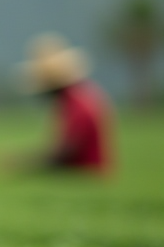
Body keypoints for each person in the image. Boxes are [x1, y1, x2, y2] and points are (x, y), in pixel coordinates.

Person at [17, 34, 113, 172]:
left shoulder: (78, 104)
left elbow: (68, 152)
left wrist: (24, 163)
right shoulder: (78, 98)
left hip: (85, 173)